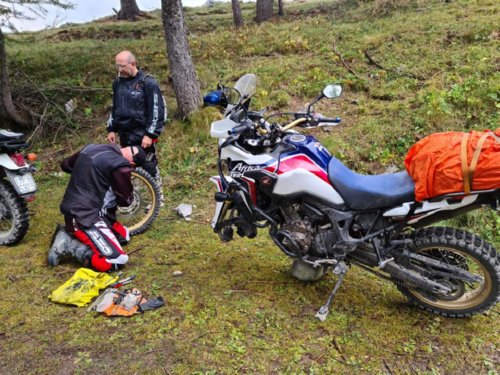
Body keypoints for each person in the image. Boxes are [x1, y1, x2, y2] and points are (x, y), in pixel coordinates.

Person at [48, 143, 147, 272]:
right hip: (84, 216)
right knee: (117, 260)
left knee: (124, 236)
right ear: (133, 163)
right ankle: (70, 246)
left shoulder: (92, 147)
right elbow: (125, 201)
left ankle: (74, 234)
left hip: (86, 209)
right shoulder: (120, 166)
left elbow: (66, 165)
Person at [107, 50, 166, 203]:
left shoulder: (148, 83)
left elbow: (157, 110)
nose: (119, 69)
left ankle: (157, 200)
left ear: (133, 64)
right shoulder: (117, 83)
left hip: (143, 134)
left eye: (122, 66)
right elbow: (115, 107)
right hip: (125, 133)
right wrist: (111, 128)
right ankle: (135, 198)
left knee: (148, 165)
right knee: (127, 167)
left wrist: (150, 134)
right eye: (117, 66)